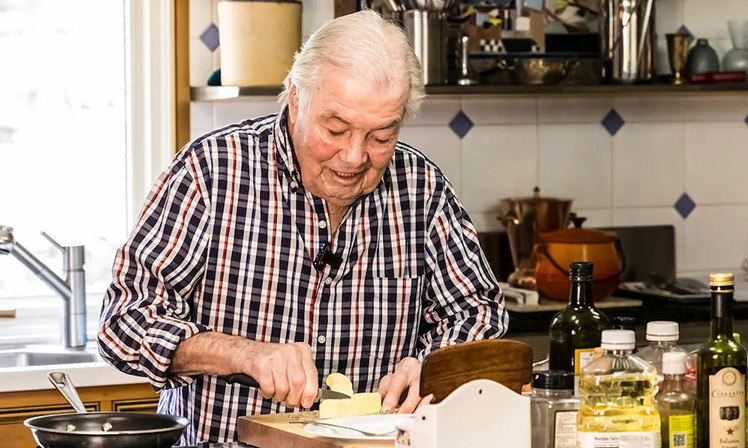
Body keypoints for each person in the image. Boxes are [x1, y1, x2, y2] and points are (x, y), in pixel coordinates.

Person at [97, 11, 507, 444]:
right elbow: (125, 321)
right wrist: (241, 354)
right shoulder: (212, 172)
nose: (353, 157)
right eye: (335, 129)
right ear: (295, 97)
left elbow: (477, 310)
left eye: (381, 137)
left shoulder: (421, 188)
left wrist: (434, 365)